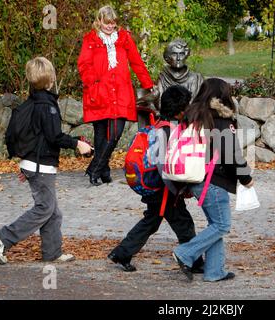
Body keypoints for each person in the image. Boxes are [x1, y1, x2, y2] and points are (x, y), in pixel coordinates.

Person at [0, 57, 92, 264]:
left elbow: (35, 136)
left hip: (34, 164)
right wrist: (77, 144)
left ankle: (52, 252)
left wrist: (26, 164)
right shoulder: (48, 106)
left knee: (53, 213)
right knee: (45, 208)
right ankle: (4, 237)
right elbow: (54, 136)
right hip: (41, 166)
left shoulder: (33, 102)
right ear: (50, 78)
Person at [107, 85, 204, 273]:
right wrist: (180, 189)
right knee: (184, 224)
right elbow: (167, 166)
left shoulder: (158, 125)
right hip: (165, 190)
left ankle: (122, 253)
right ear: (179, 112)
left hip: (155, 187)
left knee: (151, 221)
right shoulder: (169, 132)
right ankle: (194, 262)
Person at [172, 78, 254, 282]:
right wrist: (246, 178)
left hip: (194, 177)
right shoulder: (220, 118)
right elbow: (230, 153)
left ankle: (215, 271)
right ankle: (185, 253)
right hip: (213, 180)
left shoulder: (193, 114)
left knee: (214, 224)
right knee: (222, 225)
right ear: (223, 96)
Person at [77, 5, 154, 186]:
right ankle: (104, 171)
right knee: (101, 134)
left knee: (115, 134)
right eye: (106, 23)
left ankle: (94, 169)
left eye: (112, 23)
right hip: (99, 93)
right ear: (99, 21)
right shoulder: (91, 39)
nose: (110, 27)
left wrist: (148, 84)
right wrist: (93, 83)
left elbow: (136, 62)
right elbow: (84, 64)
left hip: (120, 93)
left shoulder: (124, 38)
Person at [156, 38, 204, 109]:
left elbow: (201, 104)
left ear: (186, 56)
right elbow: (160, 104)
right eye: (174, 54)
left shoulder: (197, 78)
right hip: (169, 117)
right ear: (168, 57)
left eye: (181, 54)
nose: (178, 58)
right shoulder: (163, 77)